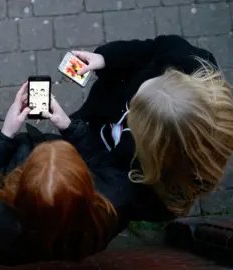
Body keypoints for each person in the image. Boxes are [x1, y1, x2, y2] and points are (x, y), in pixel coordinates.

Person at [0, 82, 144, 265]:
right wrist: (68, 125)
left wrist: (5, 135)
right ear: (85, 177)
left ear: (21, 178)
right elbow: (101, 161)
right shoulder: (114, 204)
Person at [70, 35, 233, 218]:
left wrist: (72, 131)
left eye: (135, 114)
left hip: (93, 149)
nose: (129, 105)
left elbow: (107, 172)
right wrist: (106, 58)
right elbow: (151, 48)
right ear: (171, 75)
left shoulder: (147, 187)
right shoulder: (186, 60)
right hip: (95, 120)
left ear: (156, 148)